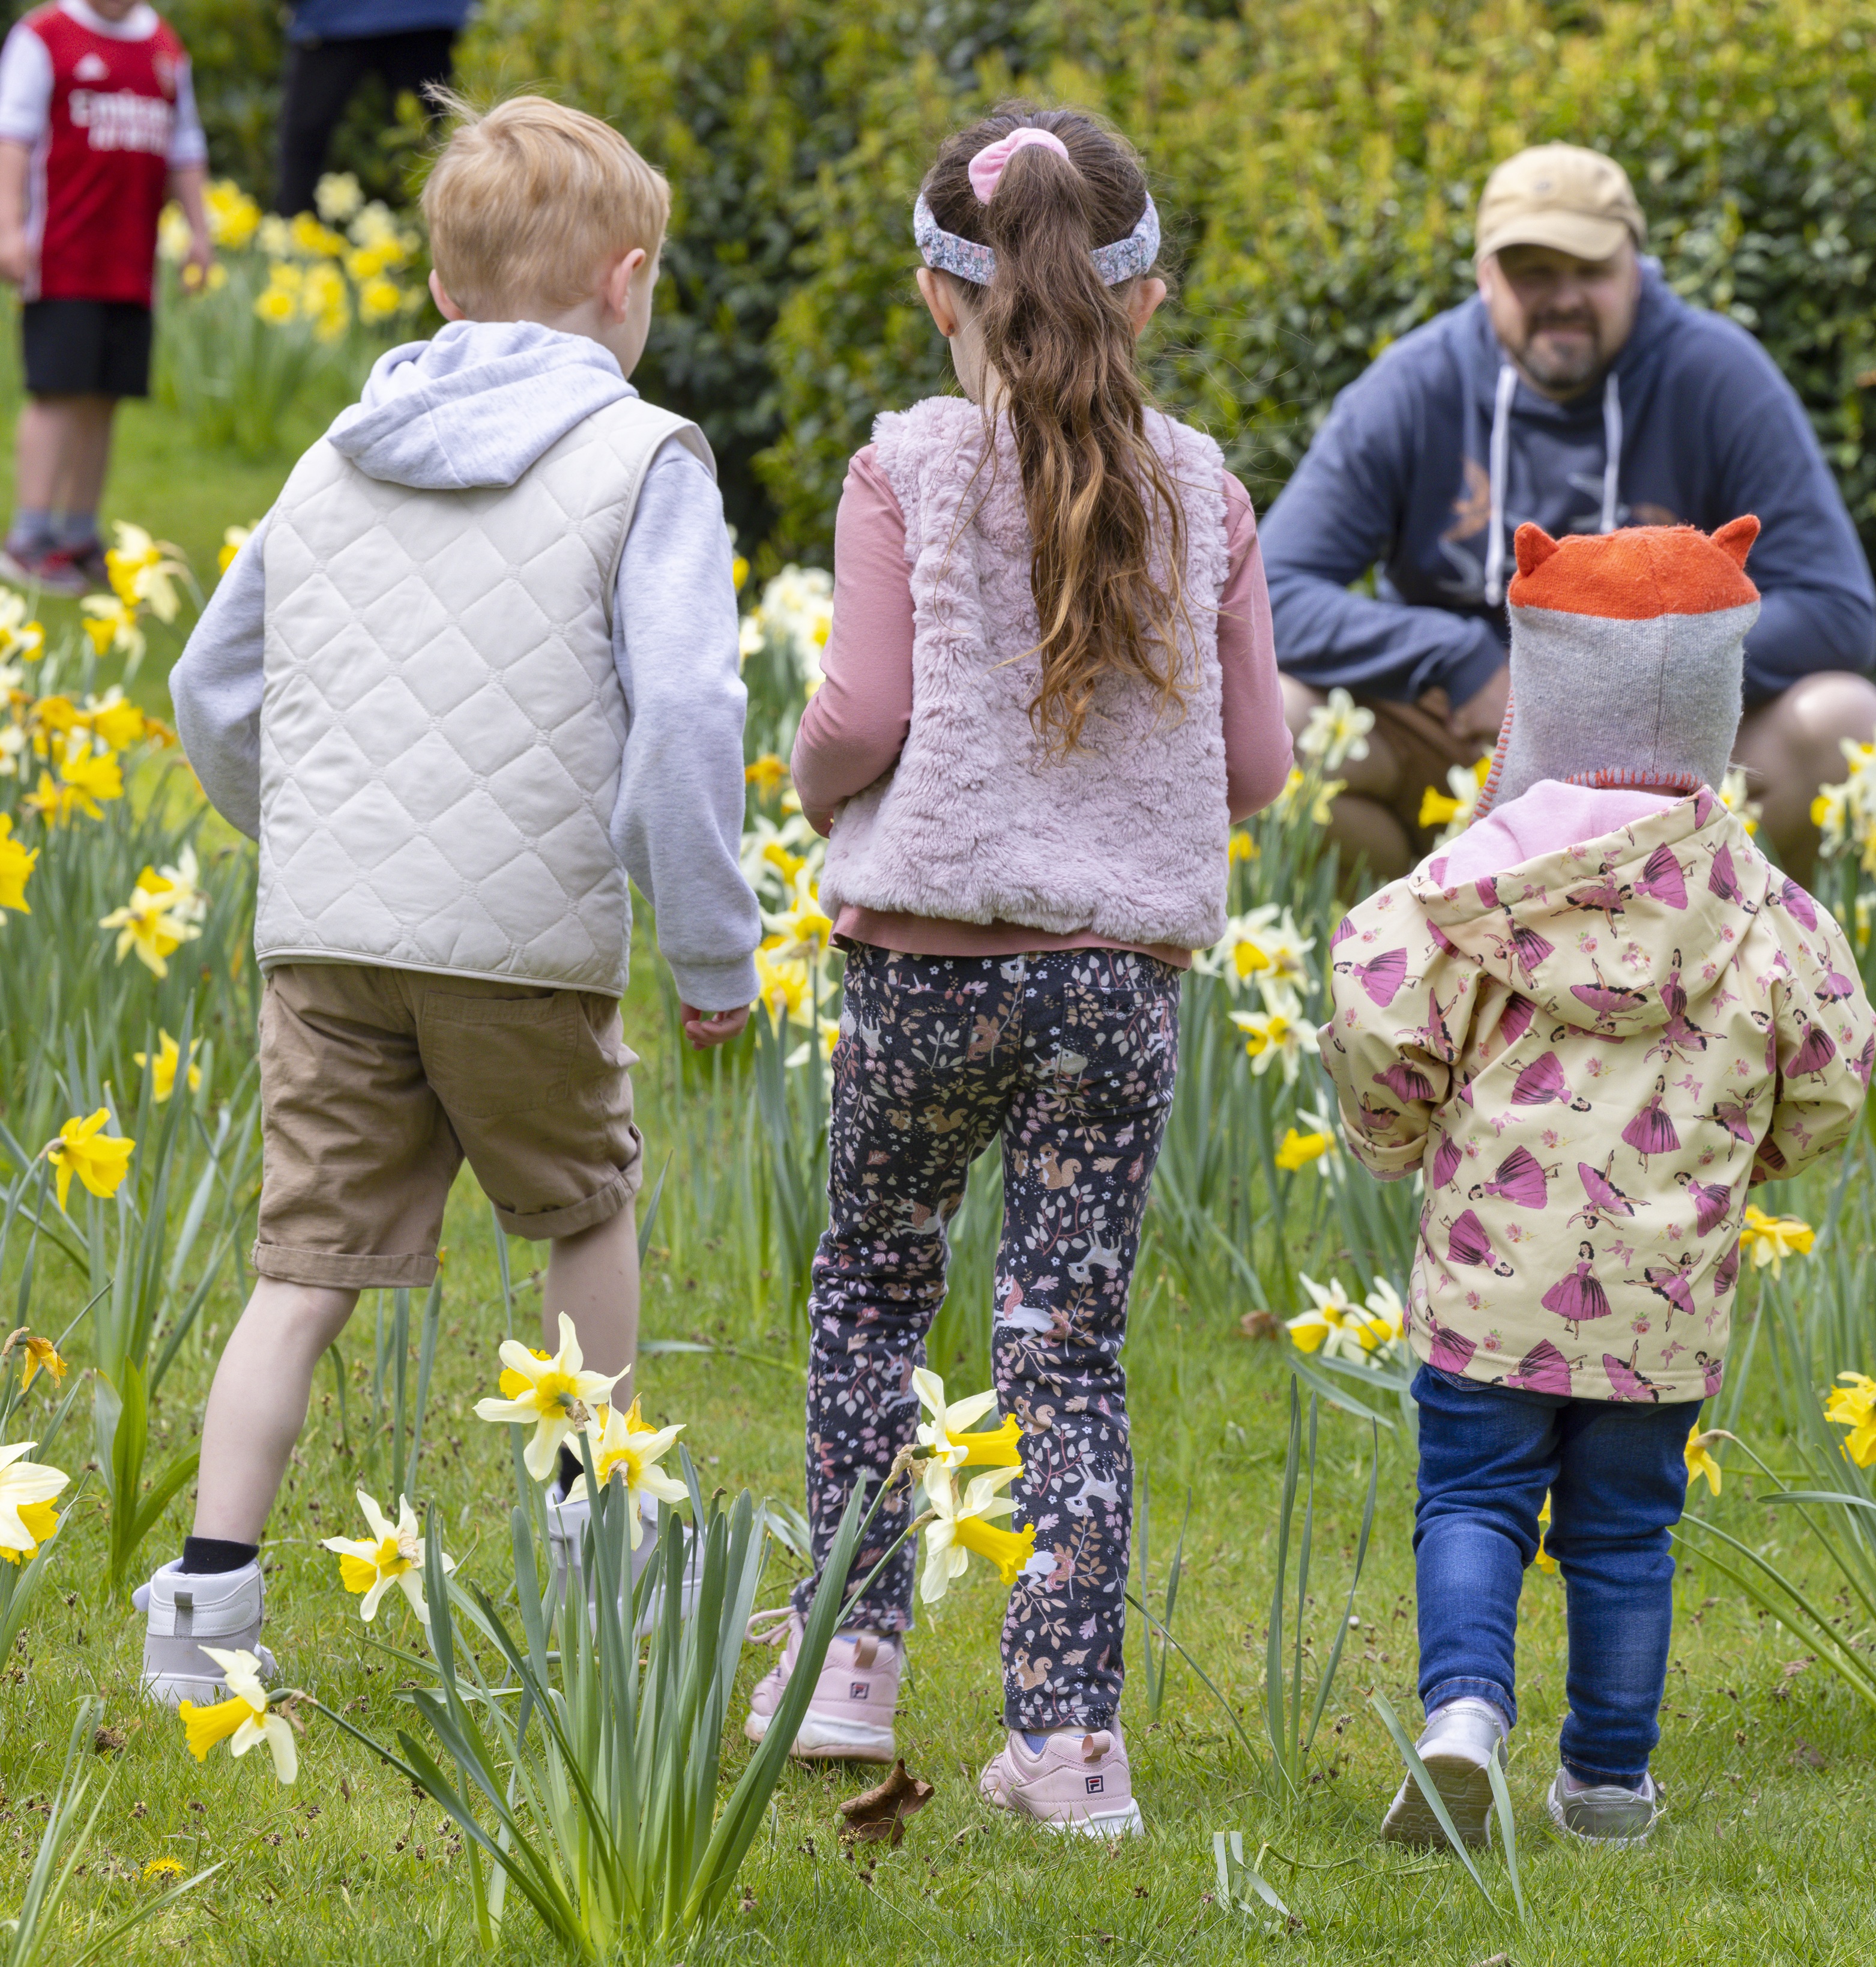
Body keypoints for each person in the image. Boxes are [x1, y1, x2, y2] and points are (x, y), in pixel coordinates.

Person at [157, 93, 760, 1703]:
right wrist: (711, 946)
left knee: (303, 1269)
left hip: (330, 936)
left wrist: (306, 838)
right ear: (630, 282)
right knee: (580, 1207)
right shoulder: (645, 459)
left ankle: (205, 1611)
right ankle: (589, 1553)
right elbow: (691, 721)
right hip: (525, 945)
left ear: (439, 291)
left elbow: (212, 688)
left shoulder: (331, 455)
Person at [759, 103, 1288, 1832]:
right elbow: (1260, 767)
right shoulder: (1202, 488)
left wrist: (807, 779)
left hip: (924, 965)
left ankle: (847, 1663)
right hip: (1113, 982)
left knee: (872, 1288)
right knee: (1063, 1344)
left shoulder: (905, 467)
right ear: (1144, 300)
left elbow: (862, 720)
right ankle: (1067, 1748)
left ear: (936, 292)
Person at [1322, 515, 1875, 1848]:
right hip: (1660, 1300)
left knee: (1472, 1500)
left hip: (1489, 1288)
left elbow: (1374, 1003)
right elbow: (1834, 1062)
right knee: (1626, 1536)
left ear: (1545, 687)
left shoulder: (1473, 887)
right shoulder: (1758, 903)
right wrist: (1770, 1151)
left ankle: (1462, 1714)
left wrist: (1396, 1137)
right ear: (1716, 700)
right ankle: (1609, 1784)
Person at [1263, 141, 1876, 875]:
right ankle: (1413, 950)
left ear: (1635, 269)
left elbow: (1839, 609)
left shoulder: (1717, 376)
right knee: (1280, 721)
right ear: (1485, 276)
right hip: (1462, 748)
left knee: (1845, 722)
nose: (1563, 297)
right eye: (1534, 272)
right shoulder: (1414, 385)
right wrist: (1454, 659)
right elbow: (1267, 594)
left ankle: (1725, 967)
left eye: (1590, 270)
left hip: (1675, 769)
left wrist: (1640, 677)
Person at [0, 0, 212, 594]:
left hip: (130, 265)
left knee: (104, 398)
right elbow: (11, 138)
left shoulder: (165, 48)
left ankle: (78, 535)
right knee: (57, 393)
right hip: (62, 258)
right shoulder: (43, 37)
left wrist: (200, 232)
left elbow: (185, 147)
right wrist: (8, 228)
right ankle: (29, 538)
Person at [274, 0, 469, 219]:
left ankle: (427, 238)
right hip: (336, 16)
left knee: (427, 147)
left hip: (417, 16)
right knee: (427, 146)